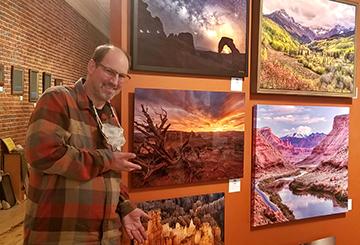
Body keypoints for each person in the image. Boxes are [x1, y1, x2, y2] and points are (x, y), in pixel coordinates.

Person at [24, 44, 149, 244]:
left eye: (122, 76)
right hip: (61, 236)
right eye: (109, 71)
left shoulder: (110, 115)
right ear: (92, 66)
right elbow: (42, 154)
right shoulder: (58, 98)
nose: (115, 81)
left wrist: (125, 207)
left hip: (105, 236)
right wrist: (107, 159)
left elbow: (110, 173)